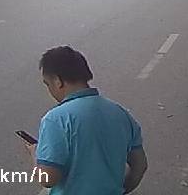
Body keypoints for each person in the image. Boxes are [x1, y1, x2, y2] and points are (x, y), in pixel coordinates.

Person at [26, 46, 148, 194]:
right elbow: (140, 165)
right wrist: (121, 190)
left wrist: (35, 154)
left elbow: (48, 179)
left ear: (58, 81)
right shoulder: (120, 113)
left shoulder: (55, 119)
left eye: (48, 84)